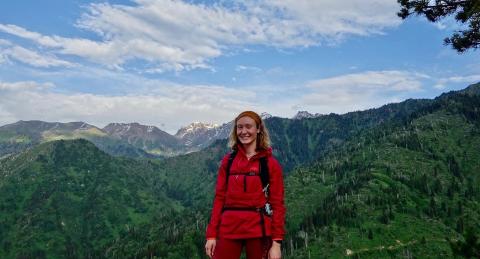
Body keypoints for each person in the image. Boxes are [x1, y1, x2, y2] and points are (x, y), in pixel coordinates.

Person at [205, 111, 286, 259]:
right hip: (228, 229)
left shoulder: (270, 164)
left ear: (258, 129)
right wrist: (211, 235)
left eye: (248, 127)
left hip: (259, 230)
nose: (243, 131)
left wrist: (276, 243)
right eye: (239, 127)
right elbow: (219, 198)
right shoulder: (228, 162)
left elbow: (277, 205)